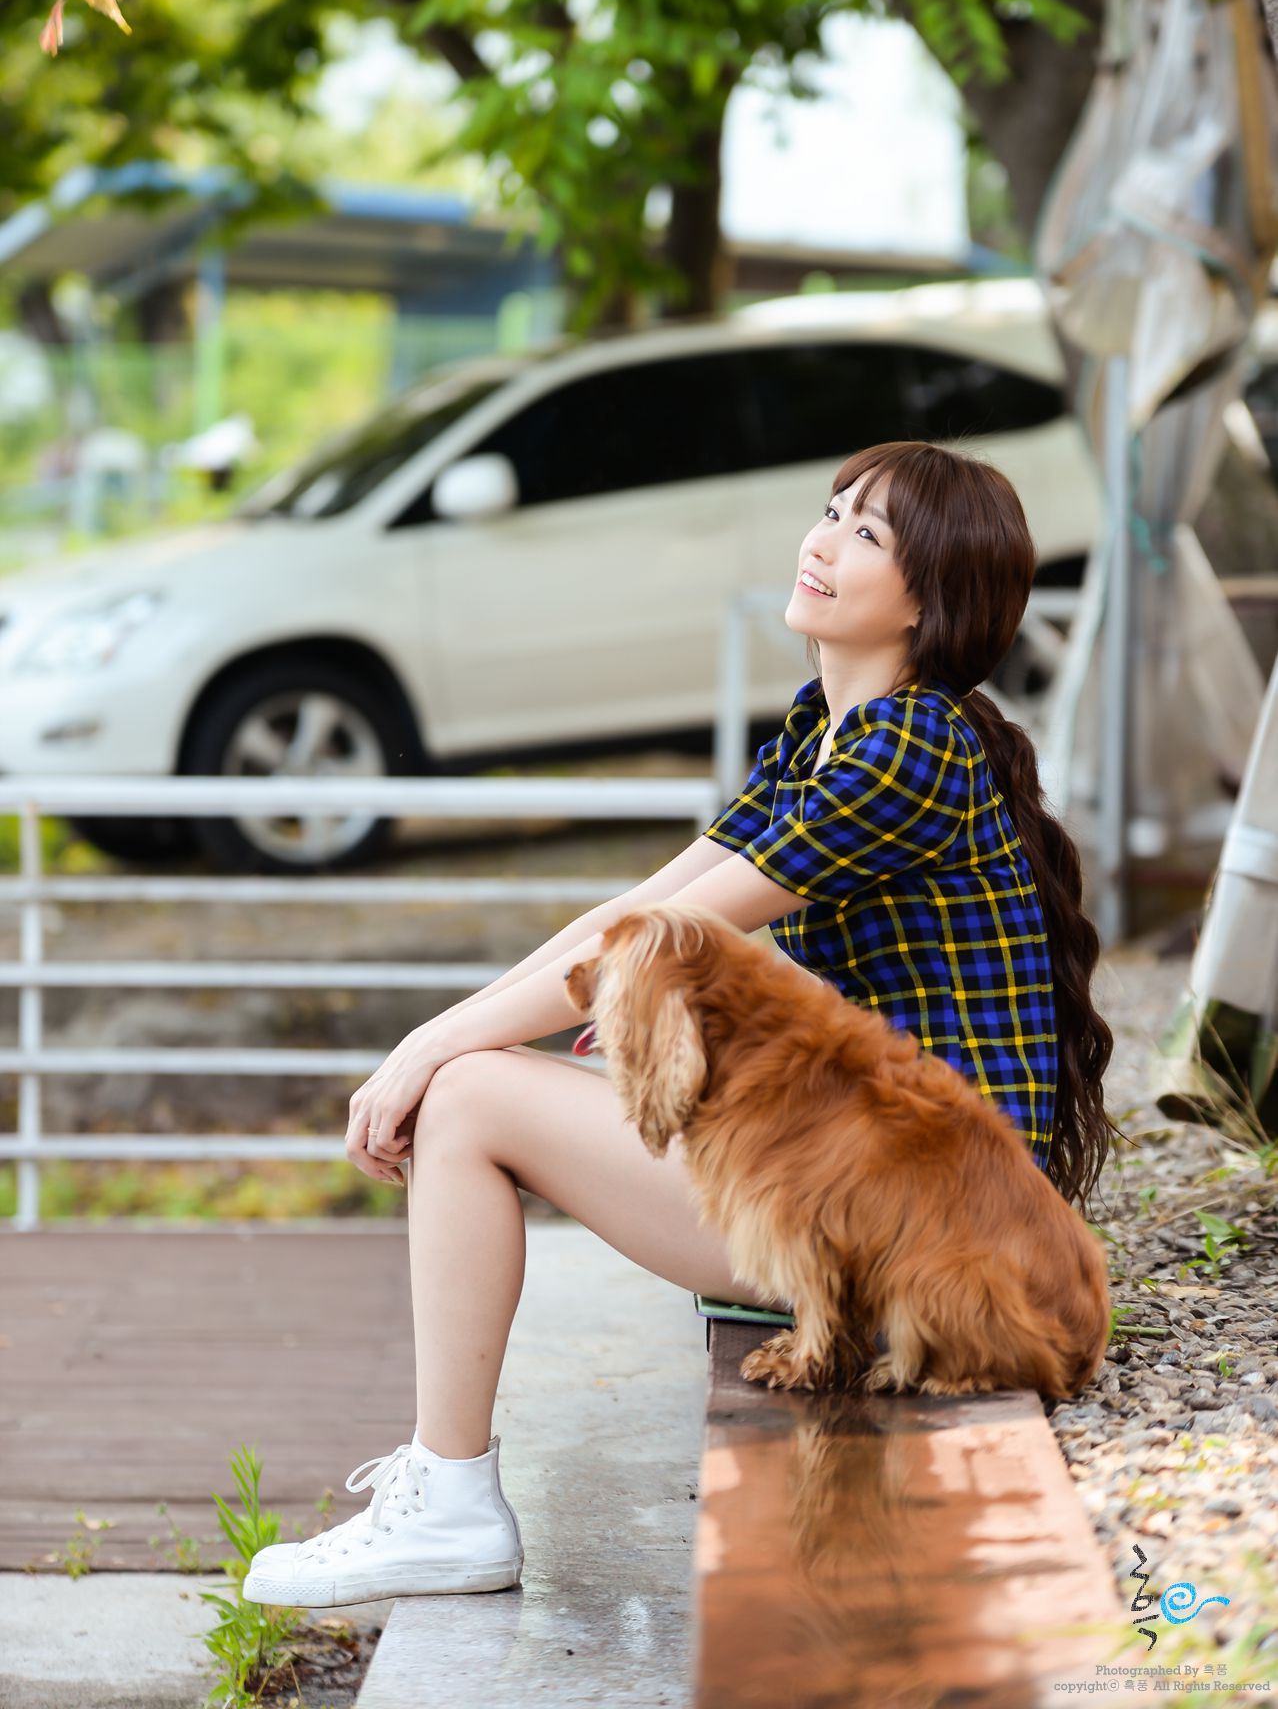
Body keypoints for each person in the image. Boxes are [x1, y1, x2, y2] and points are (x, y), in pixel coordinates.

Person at [243, 438, 1115, 1608]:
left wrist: (437, 1055)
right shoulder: (833, 729)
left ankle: (450, 1502)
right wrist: (438, 1032)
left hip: (921, 1245)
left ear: (936, 598)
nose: (822, 541)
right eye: (831, 511)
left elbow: (640, 952)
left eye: (869, 535)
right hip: (873, 1203)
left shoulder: (910, 749)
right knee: (468, 1076)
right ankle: (443, 1490)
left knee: (471, 1099)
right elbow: (638, 913)